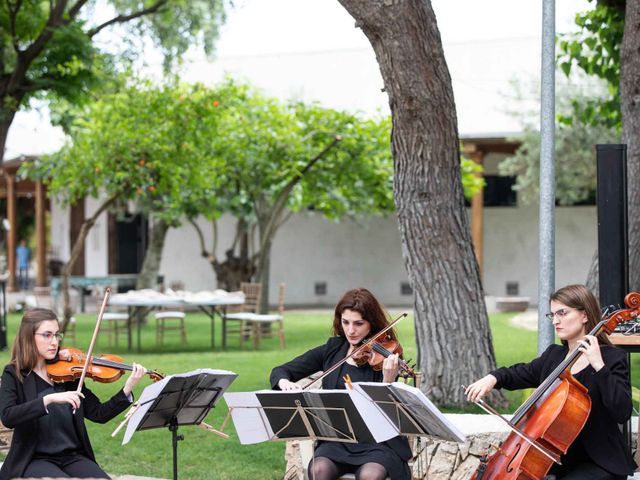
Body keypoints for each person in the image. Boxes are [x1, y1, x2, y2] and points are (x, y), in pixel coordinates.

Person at [465, 284, 636, 480]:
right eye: (552, 315)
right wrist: (493, 378)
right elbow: (519, 372)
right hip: (555, 461)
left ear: (585, 315)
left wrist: (599, 365)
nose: (555, 321)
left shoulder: (612, 358)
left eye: (562, 313)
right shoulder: (554, 356)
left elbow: (622, 411)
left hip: (599, 462)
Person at [270, 287, 411, 480]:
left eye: (358, 324)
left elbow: (389, 413)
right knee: (318, 470)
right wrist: (285, 382)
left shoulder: (386, 355)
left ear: (372, 324)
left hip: (378, 443)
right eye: (346, 322)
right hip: (337, 440)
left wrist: (388, 380)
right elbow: (281, 371)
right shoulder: (333, 349)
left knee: (371, 475)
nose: (351, 330)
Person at [0, 308, 147, 479]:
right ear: (29, 337)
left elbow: (99, 414)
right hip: (34, 458)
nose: (54, 342)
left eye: (57, 335)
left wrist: (127, 389)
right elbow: (8, 416)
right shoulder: (14, 373)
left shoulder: (69, 373)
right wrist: (48, 400)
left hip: (72, 457)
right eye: (47, 335)